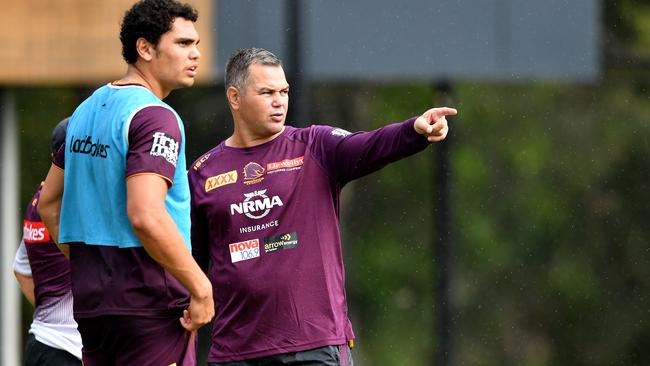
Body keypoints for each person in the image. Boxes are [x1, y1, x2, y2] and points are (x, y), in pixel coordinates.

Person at [188, 47, 457, 365]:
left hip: (315, 346)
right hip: (237, 353)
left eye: (284, 91)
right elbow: (189, 266)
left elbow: (369, 145)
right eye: (267, 92)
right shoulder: (203, 173)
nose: (279, 101)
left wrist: (414, 130)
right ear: (234, 97)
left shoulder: (314, 146)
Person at [37, 1, 214, 364]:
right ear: (145, 48)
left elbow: (48, 204)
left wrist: (94, 266)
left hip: (93, 304)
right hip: (150, 305)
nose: (195, 54)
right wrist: (201, 287)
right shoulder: (155, 117)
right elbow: (146, 215)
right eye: (182, 43)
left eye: (195, 43)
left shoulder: (84, 112)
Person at [13, 118, 82, 366]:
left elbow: (21, 270)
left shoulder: (39, 202)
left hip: (43, 341)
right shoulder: (73, 203)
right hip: (70, 350)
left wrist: (51, 318)